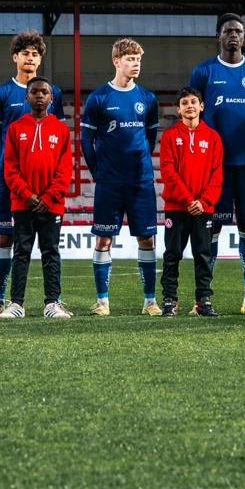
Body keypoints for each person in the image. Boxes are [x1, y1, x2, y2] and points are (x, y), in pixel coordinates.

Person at [189, 13, 245, 314]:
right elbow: (193, 114)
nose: (234, 36)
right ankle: (204, 297)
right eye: (228, 31)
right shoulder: (204, 72)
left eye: (238, 31)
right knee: (213, 228)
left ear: (243, 35)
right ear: (219, 35)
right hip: (216, 165)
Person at [0, 31, 64, 316]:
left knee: (48, 247)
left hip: (45, 186)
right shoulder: (1, 93)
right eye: (25, 53)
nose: (30, 58)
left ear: (40, 59)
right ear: (15, 57)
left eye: (35, 54)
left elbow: (59, 134)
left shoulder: (53, 92)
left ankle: (52, 301)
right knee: (6, 237)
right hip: (13, 181)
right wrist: (8, 166)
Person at [80, 38, 160, 316]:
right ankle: (102, 301)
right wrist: (98, 173)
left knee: (147, 240)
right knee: (103, 240)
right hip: (109, 183)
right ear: (116, 61)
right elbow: (85, 140)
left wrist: (138, 165)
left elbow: (150, 139)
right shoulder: (99, 97)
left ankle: (150, 301)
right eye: (129, 59)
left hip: (140, 182)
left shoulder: (148, 99)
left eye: (138, 59)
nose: (135, 64)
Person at [0, 76, 74, 319]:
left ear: (52, 98)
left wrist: (48, 197)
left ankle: (52, 303)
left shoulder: (61, 129)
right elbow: (9, 167)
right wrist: (27, 195)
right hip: (23, 203)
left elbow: (65, 169)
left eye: (44, 92)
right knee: (21, 251)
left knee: (50, 251)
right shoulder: (16, 127)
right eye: (35, 92)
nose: (40, 95)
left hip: (52, 205)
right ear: (27, 96)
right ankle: (16, 304)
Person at [160, 86, 224, 317]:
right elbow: (168, 172)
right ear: (178, 109)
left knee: (203, 254)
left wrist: (204, 201)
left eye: (193, 102)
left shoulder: (213, 137)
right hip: (177, 207)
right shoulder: (169, 136)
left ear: (201, 106)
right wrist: (188, 200)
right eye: (185, 102)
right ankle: (169, 300)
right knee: (172, 254)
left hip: (204, 208)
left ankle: (203, 301)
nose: (189, 106)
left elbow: (217, 174)